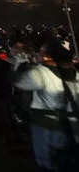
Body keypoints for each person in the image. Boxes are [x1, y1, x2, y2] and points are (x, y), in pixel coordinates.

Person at [14, 41, 79, 171]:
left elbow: (19, 82)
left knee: (48, 164)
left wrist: (20, 62)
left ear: (46, 56)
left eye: (40, 53)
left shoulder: (41, 72)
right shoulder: (75, 73)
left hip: (47, 128)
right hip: (72, 126)